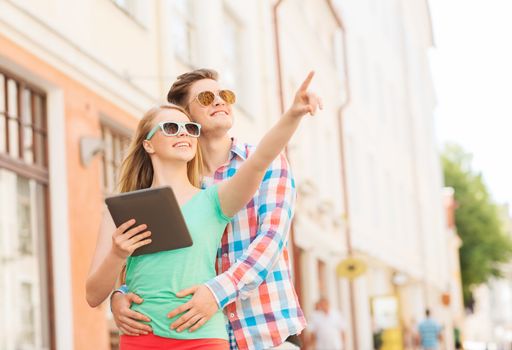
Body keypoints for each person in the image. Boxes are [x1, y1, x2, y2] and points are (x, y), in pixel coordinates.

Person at [86, 71, 320, 349]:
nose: (220, 102)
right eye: (172, 127)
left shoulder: (214, 196)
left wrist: (293, 115)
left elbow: (269, 235)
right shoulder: (128, 207)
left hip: (253, 330)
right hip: (146, 337)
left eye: (226, 96)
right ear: (149, 143)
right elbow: (144, 273)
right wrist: (119, 289)